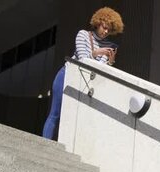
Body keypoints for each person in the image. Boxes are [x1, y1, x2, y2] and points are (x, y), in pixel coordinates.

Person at [42, 7, 124, 140]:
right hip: (67, 74)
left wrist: (109, 62)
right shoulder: (83, 34)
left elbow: (99, 69)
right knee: (55, 113)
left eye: (109, 29)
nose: (106, 31)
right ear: (98, 23)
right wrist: (95, 53)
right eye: (104, 27)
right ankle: (44, 144)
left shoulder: (110, 46)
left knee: (74, 118)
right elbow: (82, 59)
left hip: (85, 82)